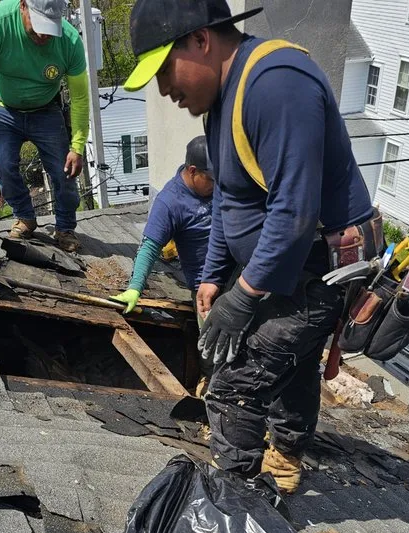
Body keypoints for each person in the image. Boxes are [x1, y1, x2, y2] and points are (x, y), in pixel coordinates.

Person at [124, 0, 380, 493]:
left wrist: (242, 298)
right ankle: (285, 455)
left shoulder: (276, 84)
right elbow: (229, 197)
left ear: (201, 40)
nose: (164, 89)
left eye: (164, 71)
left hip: (319, 270)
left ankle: (236, 503)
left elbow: (295, 212)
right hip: (283, 269)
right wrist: (213, 274)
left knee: (233, 388)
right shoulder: (224, 100)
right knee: (293, 363)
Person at [0, 0, 89, 252]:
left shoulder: (69, 42)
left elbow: (80, 97)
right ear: (23, 6)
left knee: (65, 171)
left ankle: (65, 228)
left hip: (47, 109)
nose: (43, 35)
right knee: (2, 166)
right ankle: (25, 218)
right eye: (38, 25)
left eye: (50, 28)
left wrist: (77, 146)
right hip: (2, 106)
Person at [113, 136, 214, 316]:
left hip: (241, 277)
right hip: (207, 292)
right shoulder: (170, 202)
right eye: (211, 179)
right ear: (192, 171)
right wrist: (135, 288)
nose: (218, 183)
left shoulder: (216, 183)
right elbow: (149, 247)